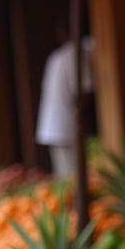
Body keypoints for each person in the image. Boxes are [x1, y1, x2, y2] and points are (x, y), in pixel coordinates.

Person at [37, 21, 93, 178]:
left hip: (53, 126)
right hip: (68, 126)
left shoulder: (56, 57)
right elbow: (85, 92)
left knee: (65, 177)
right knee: (74, 178)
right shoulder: (77, 55)